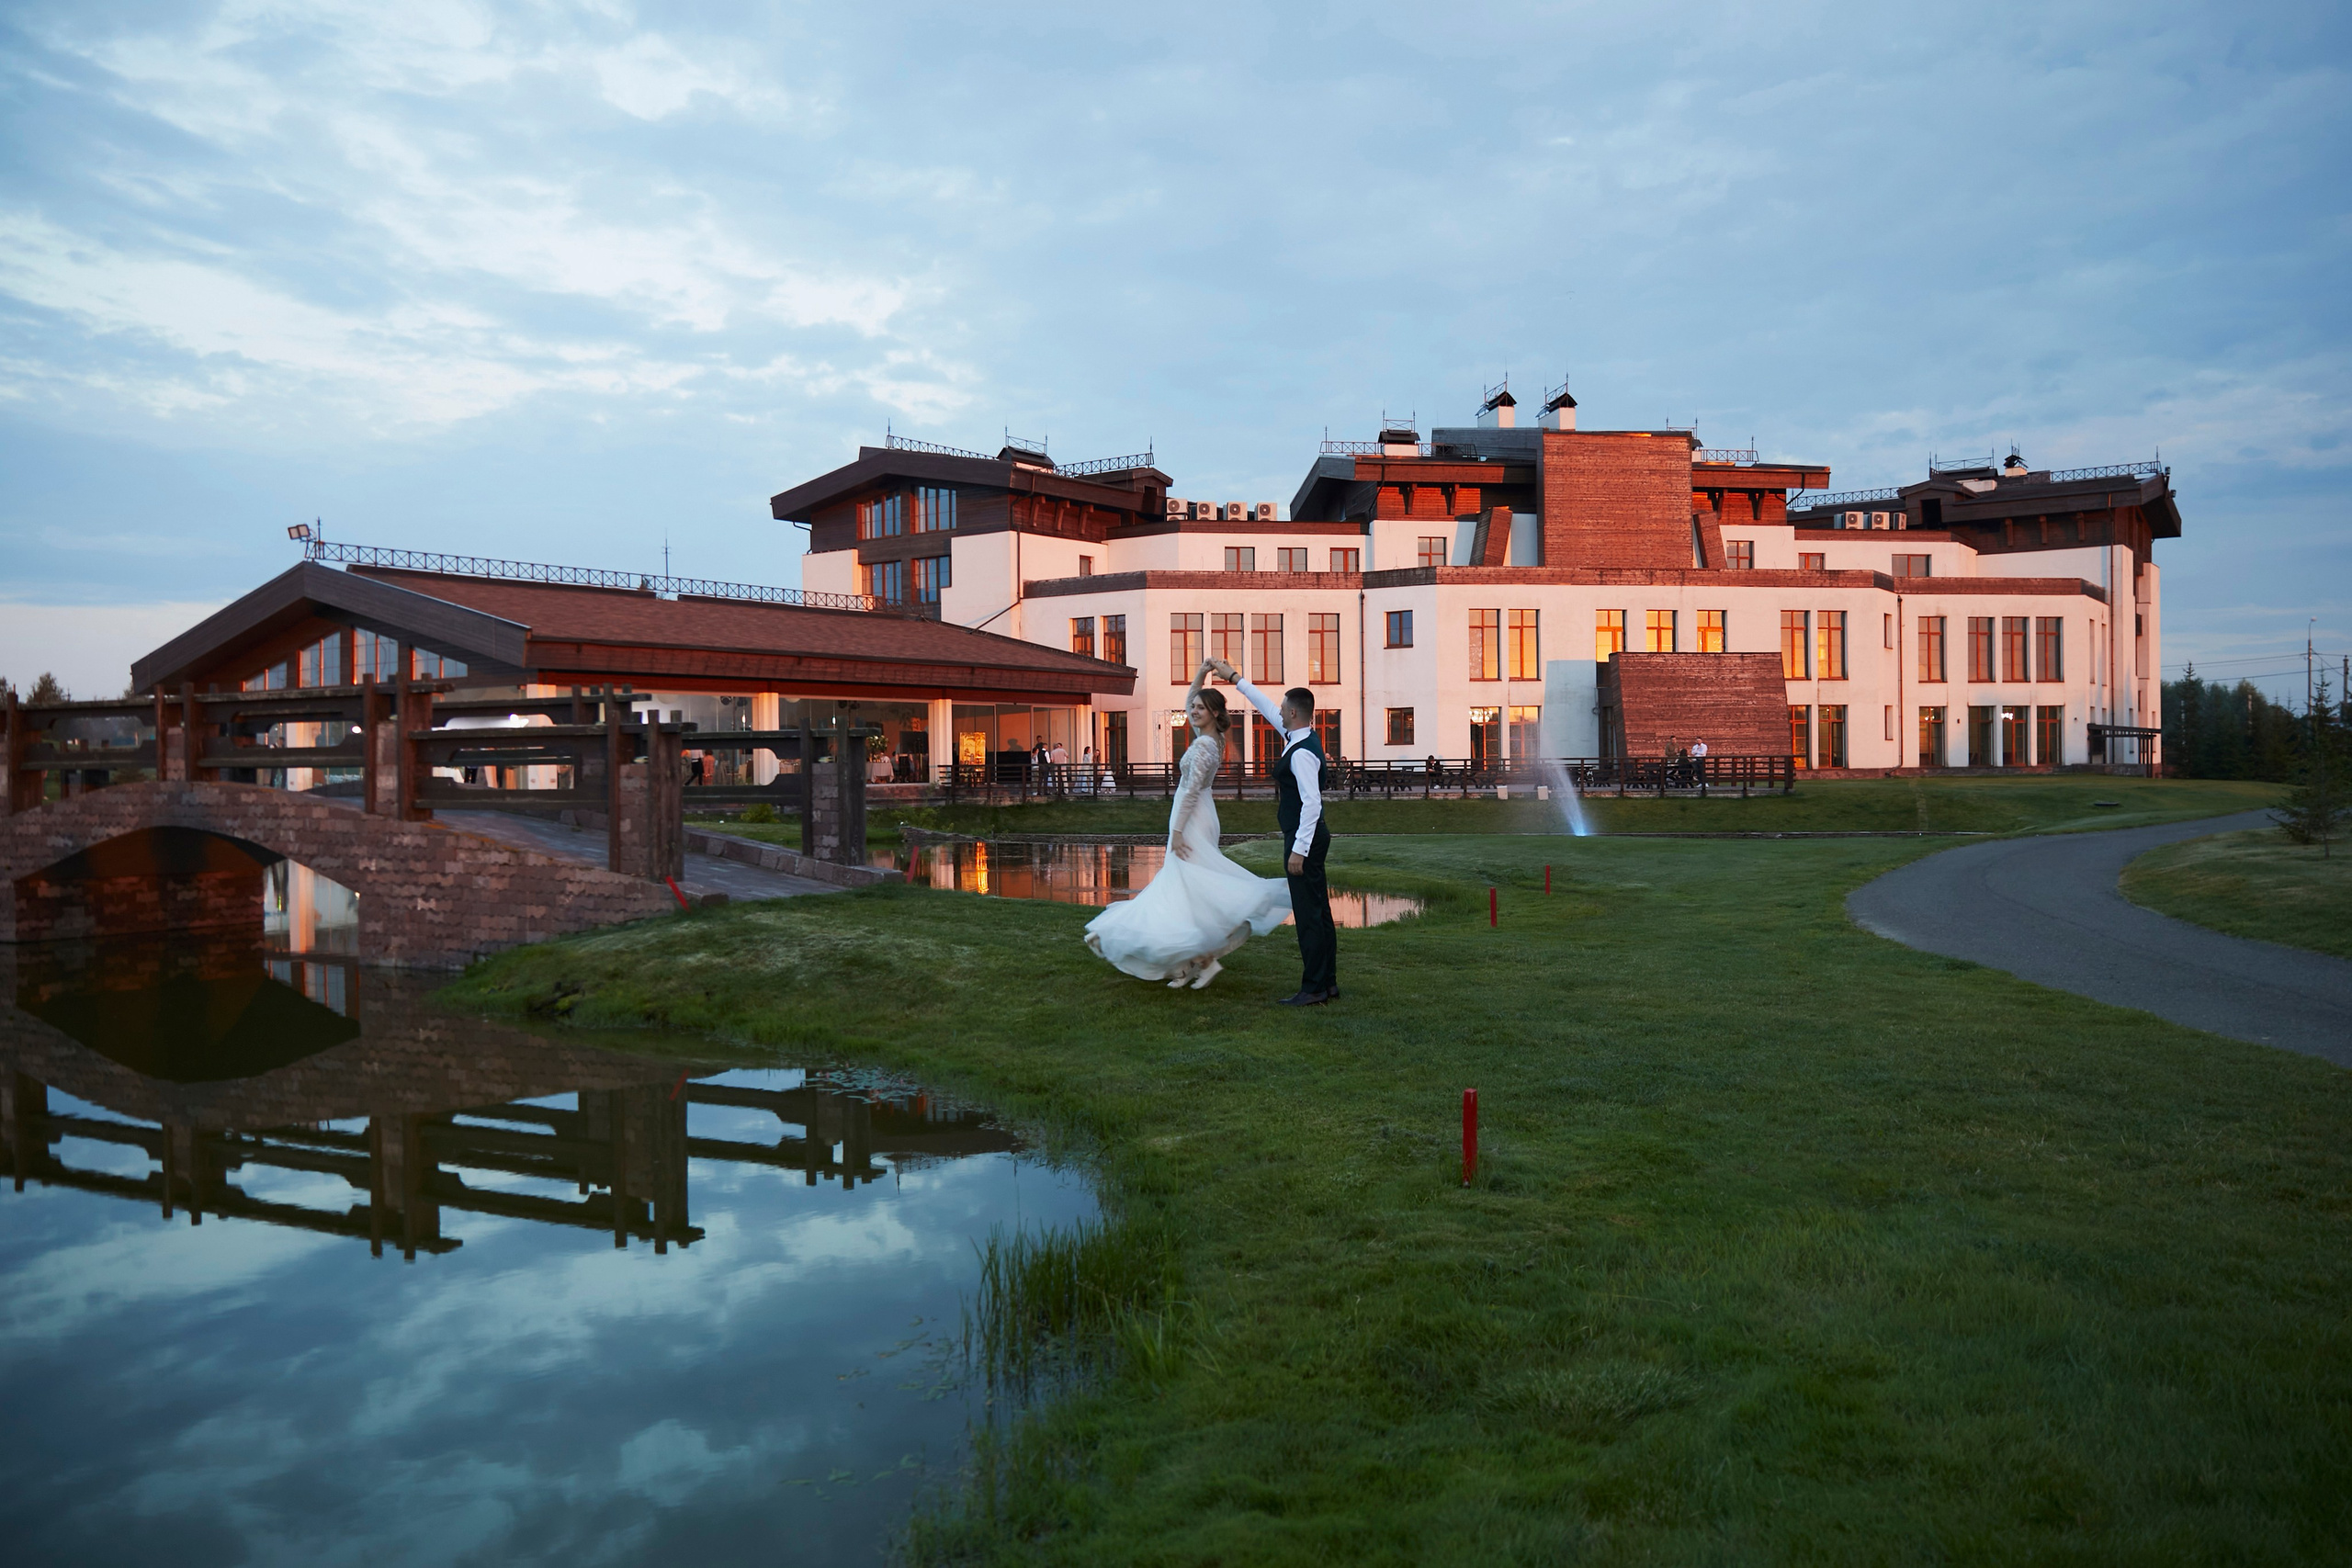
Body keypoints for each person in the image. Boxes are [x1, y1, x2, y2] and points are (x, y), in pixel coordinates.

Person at [1084, 660, 1290, 989]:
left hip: (1192, 817)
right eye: (1193, 708)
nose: (1192, 711)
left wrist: (1178, 831)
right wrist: (1203, 671)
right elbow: (1191, 697)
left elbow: (1192, 790)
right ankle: (1194, 962)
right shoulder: (1210, 737)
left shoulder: (1207, 745)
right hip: (1191, 812)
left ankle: (1199, 959)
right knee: (1183, 888)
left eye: (1199, 709)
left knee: (1187, 884)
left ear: (1212, 714)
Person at [1214, 657, 1337, 1006]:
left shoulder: (1301, 754)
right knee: (1320, 911)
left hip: (1305, 837)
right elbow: (1267, 708)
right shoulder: (1300, 736)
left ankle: (1313, 988)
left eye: (1285, 710)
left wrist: (1298, 849)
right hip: (1310, 835)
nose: (1279, 713)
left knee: (1310, 916)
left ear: (1295, 713)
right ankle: (1327, 983)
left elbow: (1312, 804)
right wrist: (1235, 679)